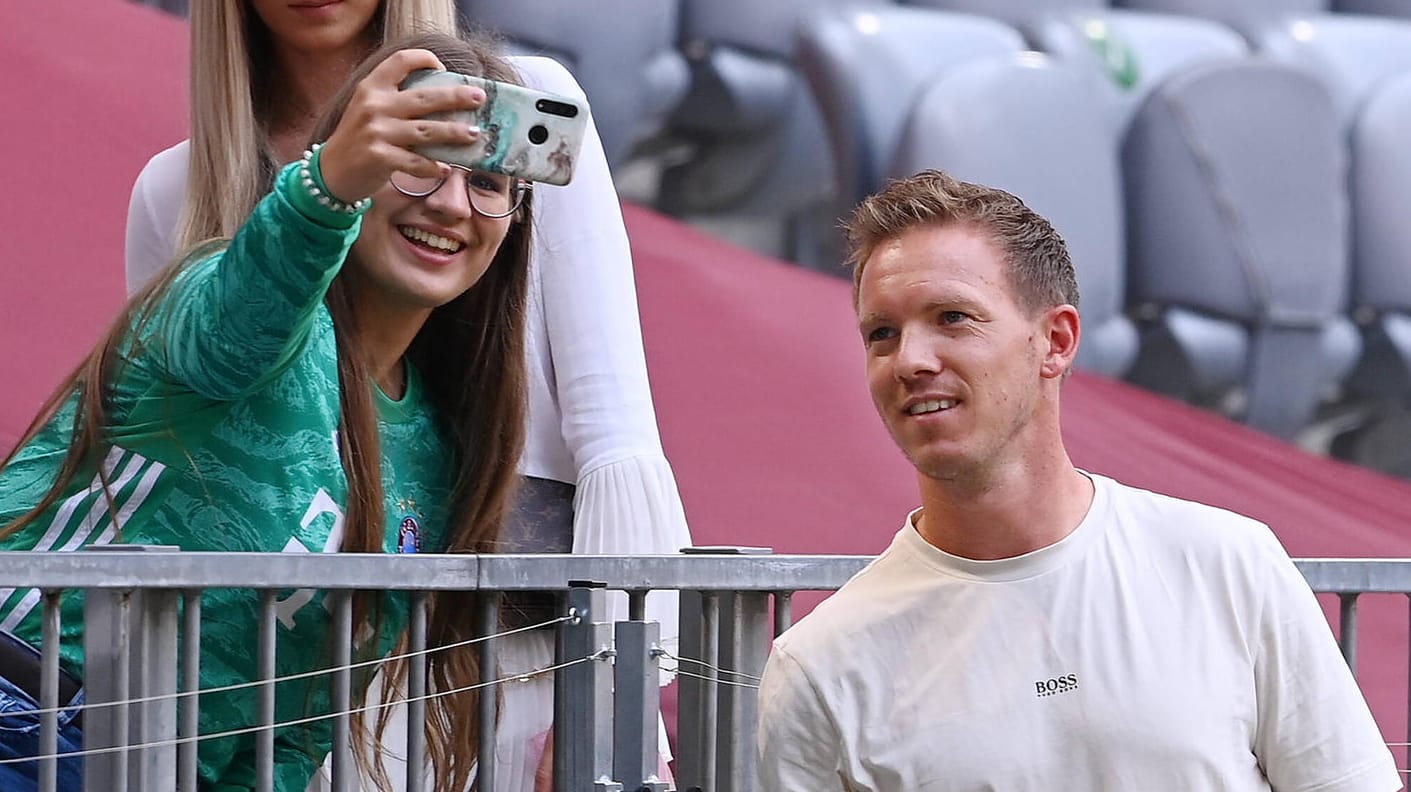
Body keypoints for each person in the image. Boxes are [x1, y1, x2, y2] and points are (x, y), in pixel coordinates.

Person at [123, 3, 689, 791]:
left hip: (523, 660)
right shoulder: (180, 184)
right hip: (292, 690)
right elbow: (168, 470)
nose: (453, 202)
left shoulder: (523, 103)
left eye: (484, 183)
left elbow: (614, 427)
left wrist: (610, 696)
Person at [0, 31, 531, 792]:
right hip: (25, 713)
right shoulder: (228, 295)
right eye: (415, 166)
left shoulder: (441, 450)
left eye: (488, 183)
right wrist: (327, 189)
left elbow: (294, 725)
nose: (450, 204)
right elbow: (245, 313)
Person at [755, 169, 1402, 792]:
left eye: (952, 317)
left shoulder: (1227, 564)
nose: (911, 361)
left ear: (1056, 340)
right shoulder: (819, 665)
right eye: (881, 334)